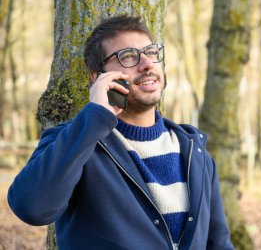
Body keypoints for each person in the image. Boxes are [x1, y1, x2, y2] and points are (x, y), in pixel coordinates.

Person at [7, 15, 234, 250]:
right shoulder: (75, 142)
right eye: (128, 56)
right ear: (98, 77)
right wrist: (94, 116)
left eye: (151, 52)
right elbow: (32, 207)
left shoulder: (194, 150)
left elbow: (218, 242)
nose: (146, 64)